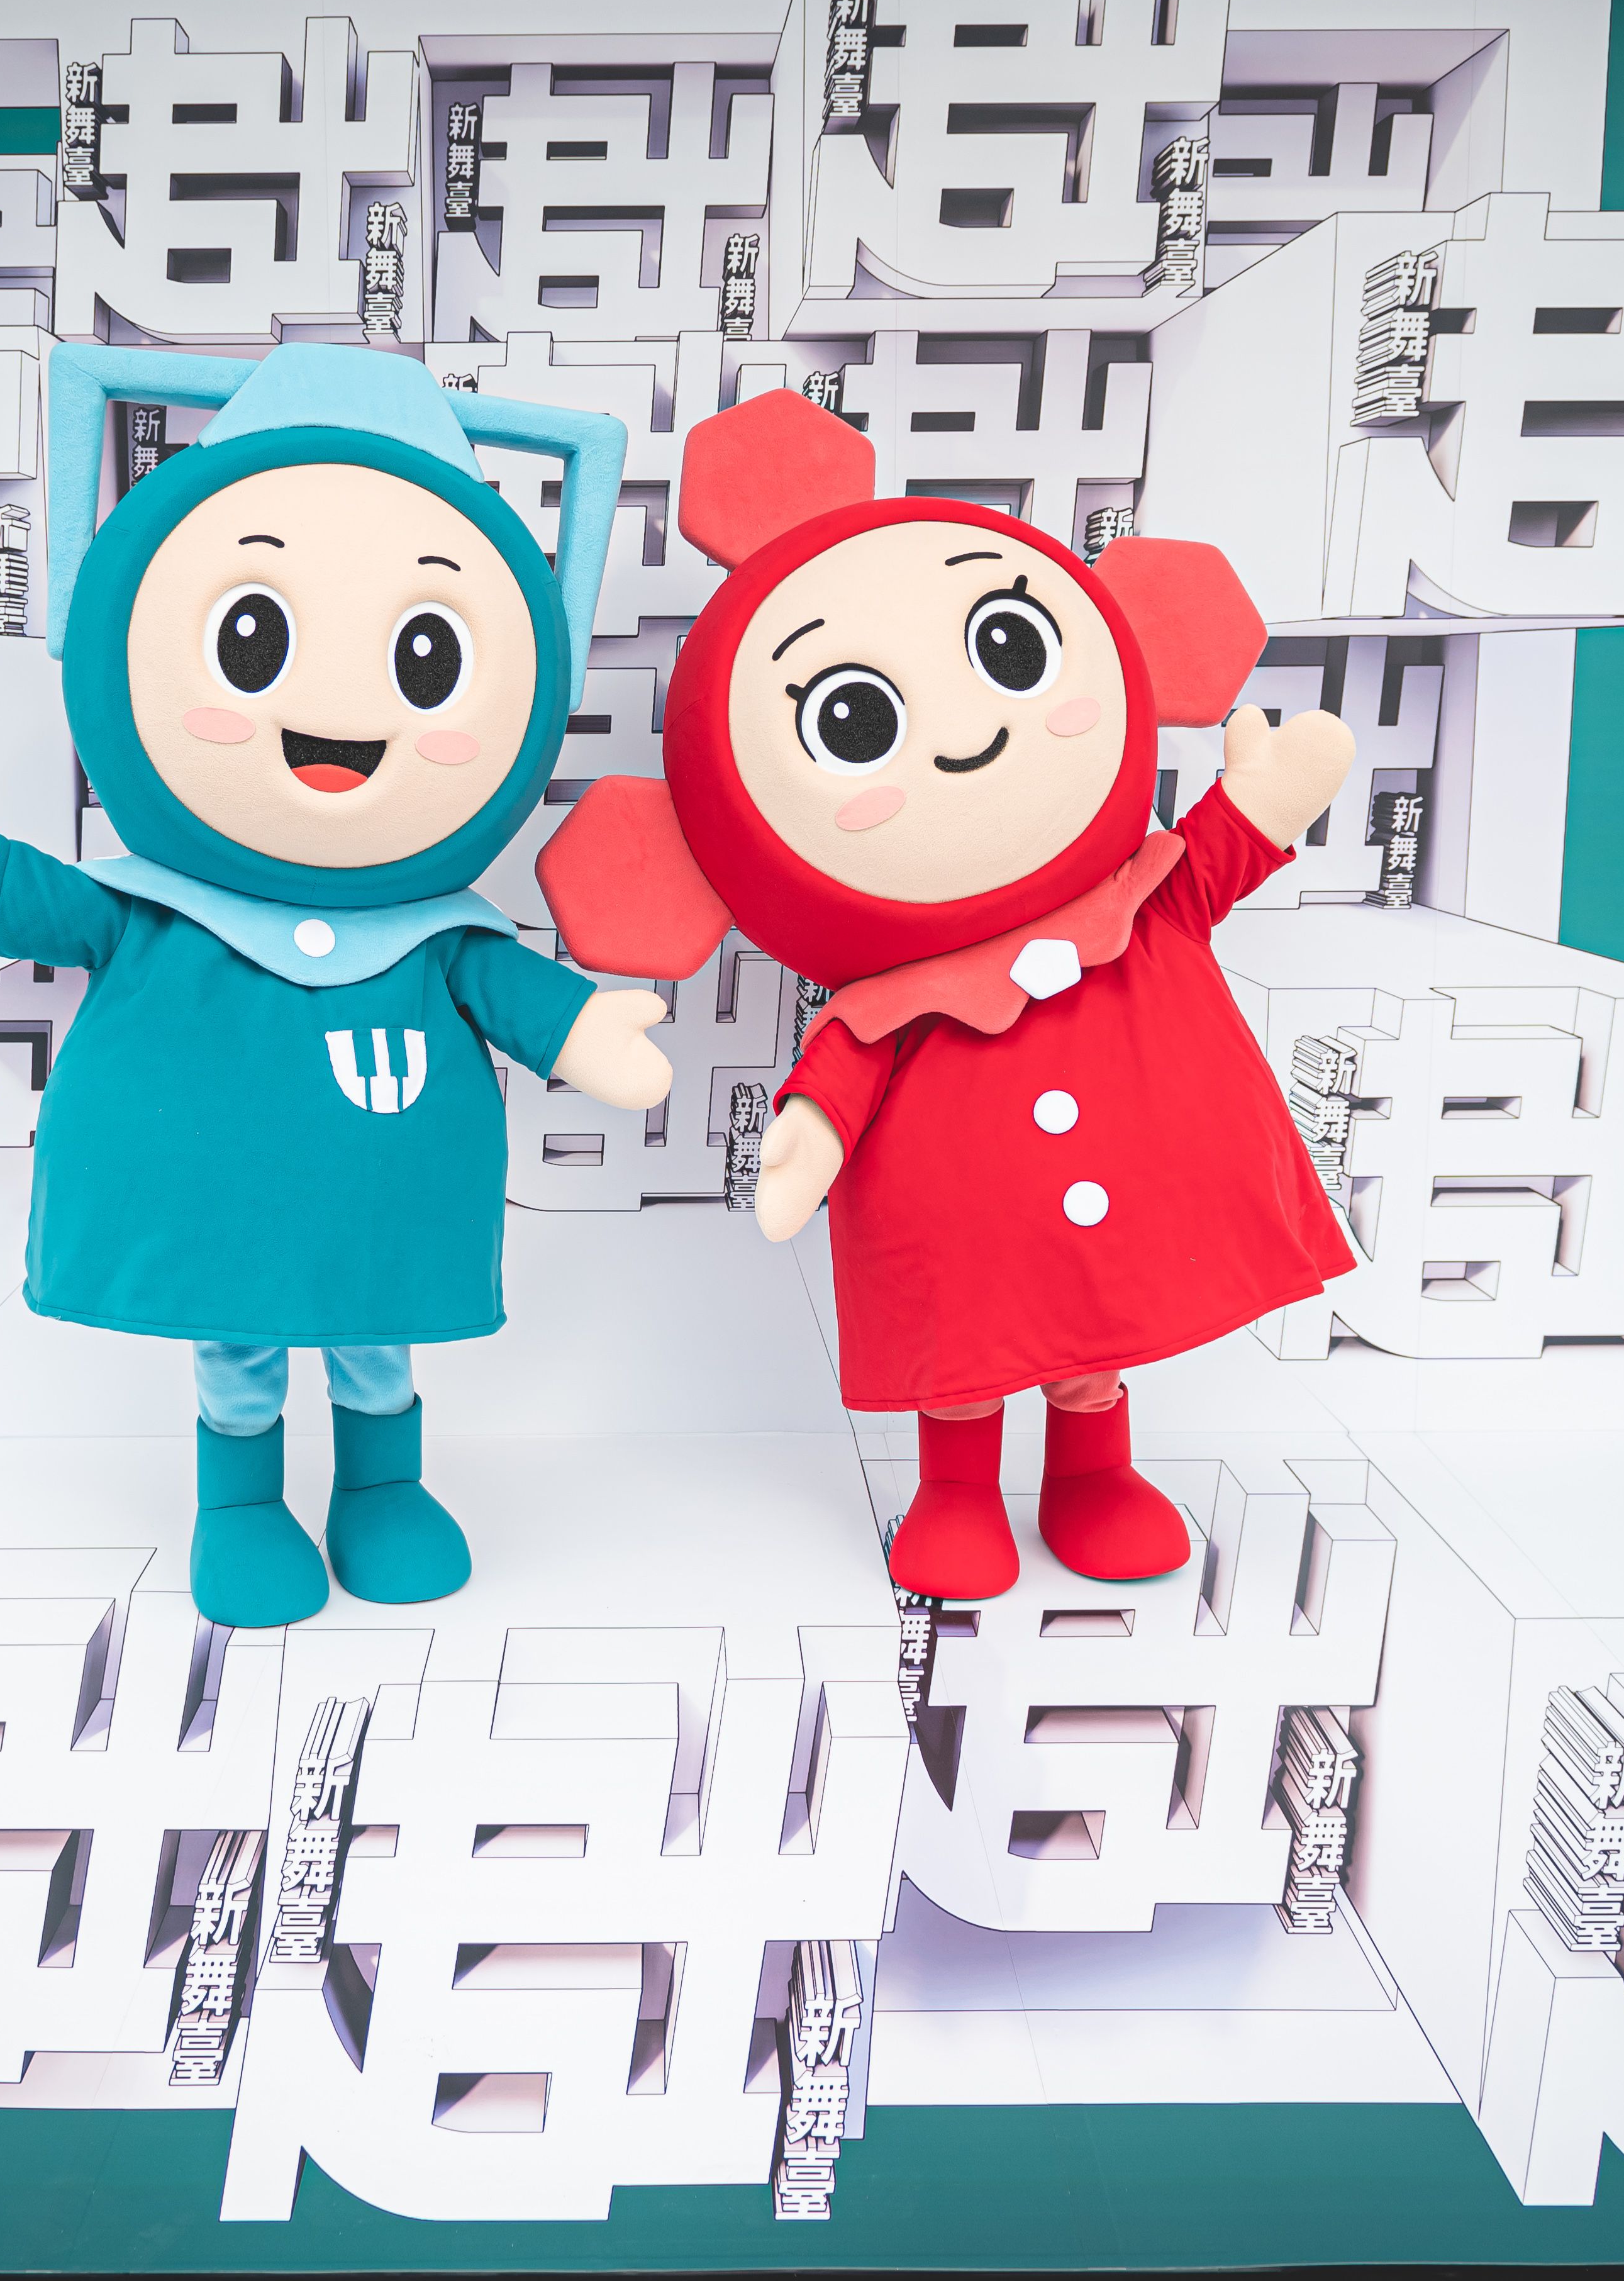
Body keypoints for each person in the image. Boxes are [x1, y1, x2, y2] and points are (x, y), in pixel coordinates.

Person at [0, 346, 669, 1627]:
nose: (340, 707)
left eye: (424, 658)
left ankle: (381, 1487)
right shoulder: (159, 905)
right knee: (234, 1342)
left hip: (380, 1215)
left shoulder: (434, 931)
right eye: (254, 637)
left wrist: (582, 1026)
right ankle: (238, 1503)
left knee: (375, 1331)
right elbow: (66, 907)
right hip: (215, 1212)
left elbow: (504, 982)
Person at [540, 391, 1360, 1602]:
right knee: (965, 1366)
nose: (969, 732)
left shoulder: (1136, 903)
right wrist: (805, 1138)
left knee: (1092, 1359)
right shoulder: (885, 1000)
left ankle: (1094, 1480)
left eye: (1010, 652)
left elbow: (1209, 865)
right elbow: (844, 1061)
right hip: (960, 1243)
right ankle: (959, 1495)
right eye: (855, 721)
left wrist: (1267, 799)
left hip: (1107, 1237)